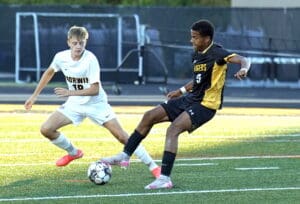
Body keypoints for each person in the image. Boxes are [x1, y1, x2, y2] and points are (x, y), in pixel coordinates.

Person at [101, 19, 251, 189]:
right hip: (190, 99)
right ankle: (125, 155)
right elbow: (198, 80)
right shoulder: (196, 54)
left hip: (205, 106)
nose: (191, 40)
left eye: (195, 37)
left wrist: (244, 68)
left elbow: (243, 59)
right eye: (191, 37)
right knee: (149, 116)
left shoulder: (218, 53)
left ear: (207, 39)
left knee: (173, 130)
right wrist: (180, 91)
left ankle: (164, 178)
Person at [24, 25, 161, 178]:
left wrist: (70, 92)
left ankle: (154, 167)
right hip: (74, 104)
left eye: (81, 43)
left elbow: (94, 89)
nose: (78, 46)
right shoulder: (60, 57)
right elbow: (49, 73)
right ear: (68, 42)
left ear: (86, 42)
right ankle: (73, 153)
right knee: (46, 129)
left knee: (122, 137)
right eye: (75, 43)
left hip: (96, 104)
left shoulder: (90, 59)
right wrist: (34, 96)